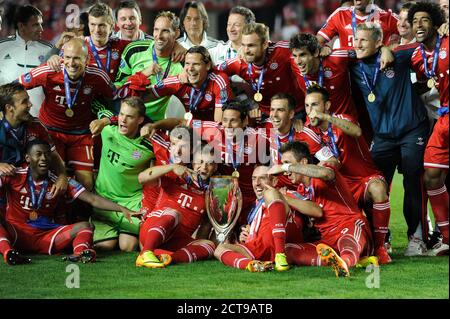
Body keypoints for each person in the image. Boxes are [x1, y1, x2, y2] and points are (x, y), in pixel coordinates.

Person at [349, 22, 430, 256]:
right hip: (383, 137)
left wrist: (388, 49)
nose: (358, 44)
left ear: (377, 42)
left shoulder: (399, 57)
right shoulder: (353, 65)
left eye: (364, 40)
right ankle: (382, 237)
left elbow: (422, 44)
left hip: (412, 130)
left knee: (413, 182)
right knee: (371, 185)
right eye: (356, 40)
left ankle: (417, 238)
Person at [0, 139, 137, 263]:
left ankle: (81, 253)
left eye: (47, 154)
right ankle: (9, 253)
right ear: (28, 158)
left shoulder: (60, 182)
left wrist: (122, 209)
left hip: (47, 236)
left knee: (85, 226)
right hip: (17, 234)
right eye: (39, 154)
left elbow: (92, 199)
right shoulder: (14, 175)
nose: (44, 158)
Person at [304, 85, 392, 263]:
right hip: (342, 185)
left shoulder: (342, 118)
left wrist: (327, 118)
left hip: (364, 177)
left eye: (314, 105)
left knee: (378, 189)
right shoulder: (310, 132)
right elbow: (331, 161)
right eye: (307, 106)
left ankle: (381, 247)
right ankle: (354, 249)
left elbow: (357, 131)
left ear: (327, 105)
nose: (310, 111)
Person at [18, 38, 118, 191]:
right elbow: (15, 86)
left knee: (86, 184)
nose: (71, 63)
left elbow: (116, 99)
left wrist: (107, 119)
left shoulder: (98, 76)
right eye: (68, 57)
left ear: (87, 59)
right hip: (50, 132)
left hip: (81, 134)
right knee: (53, 181)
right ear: (62, 57)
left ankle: (81, 216)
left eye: (77, 58)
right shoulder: (49, 71)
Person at [268, 141, 373, 277]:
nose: (284, 170)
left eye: (288, 162)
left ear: (304, 162)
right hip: (327, 240)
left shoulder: (322, 173)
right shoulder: (301, 190)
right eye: (283, 164)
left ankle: (345, 262)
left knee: (347, 243)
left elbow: (325, 173)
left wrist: (286, 167)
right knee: (289, 250)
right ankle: (342, 260)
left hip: (350, 225)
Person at [214, 165, 323, 272]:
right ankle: (253, 265)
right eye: (254, 179)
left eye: (262, 178)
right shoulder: (253, 207)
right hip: (261, 247)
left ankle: (280, 255)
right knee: (219, 249)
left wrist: (281, 196)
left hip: (285, 243)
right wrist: (248, 235)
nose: (257, 183)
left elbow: (317, 211)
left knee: (270, 193)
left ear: (274, 181)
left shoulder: (287, 193)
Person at [137, 138, 217, 268]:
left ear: (215, 166)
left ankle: (168, 258)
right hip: (153, 230)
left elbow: (206, 225)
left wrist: (198, 245)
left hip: (175, 240)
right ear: (192, 162)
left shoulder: (211, 192)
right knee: (174, 213)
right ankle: (146, 252)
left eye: (210, 163)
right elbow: (142, 178)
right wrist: (172, 167)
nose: (204, 167)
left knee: (209, 245)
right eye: (200, 162)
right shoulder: (177, 175)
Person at [90, 97, 155, 252]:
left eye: (130, 117)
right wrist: (105, 121)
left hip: (131, 203)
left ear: (140, 120)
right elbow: (96, 104)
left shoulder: (148, 145)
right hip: (104, 200)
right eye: (121, 115)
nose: (123, 120)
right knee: (105, 246)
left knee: (128, 246)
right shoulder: (107, 130)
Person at [409, 2, 449, 255]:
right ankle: (447, 237)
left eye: (424, 20)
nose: (419, 25)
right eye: (415, 21)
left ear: (435, 23)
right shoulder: (416, 57)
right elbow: (423, 84)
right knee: (431, 173)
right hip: (443, 118)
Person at [218, 23, 305, 120]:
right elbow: (212, 72)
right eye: (243, 45)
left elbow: (307, 49)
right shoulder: (239, 63)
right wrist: (246, 100)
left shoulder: (282, 51)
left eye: (251, 45)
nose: (246, 50)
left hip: (296, 113)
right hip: (263, 115)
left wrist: (324, 49)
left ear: (265, 44)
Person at [129, 46, 232, 122]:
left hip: (214, 132)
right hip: (190, 130)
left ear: (208, 65)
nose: (190, 69)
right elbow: (138, 96)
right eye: (187, 64)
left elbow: (220, 124)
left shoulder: (219, 81)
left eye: (196, 64)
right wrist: (143, 74)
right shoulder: (178, 82)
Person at [114, 11, 184, 121]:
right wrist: (143, 74)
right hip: (127, 119)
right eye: (156, 30)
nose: (159, 36)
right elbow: (119, 88)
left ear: (176, 33)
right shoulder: (134, 50)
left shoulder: (182, 63)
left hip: (154, 125)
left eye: (165, 31)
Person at [0, 5, 53, 117]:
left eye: (41, 24)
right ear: (21, 26)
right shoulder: (2, 47)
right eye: (35, 25)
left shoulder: (49, 50)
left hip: (39, 120)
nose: (41, 29)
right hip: (7, 120)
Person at [317, 0, 399, 50]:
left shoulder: (387, 17)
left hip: (377, 72)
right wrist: (325, 48)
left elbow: (410, 34)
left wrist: (390, 49)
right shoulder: (340, 15)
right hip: (348, 73)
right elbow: (318, 41)